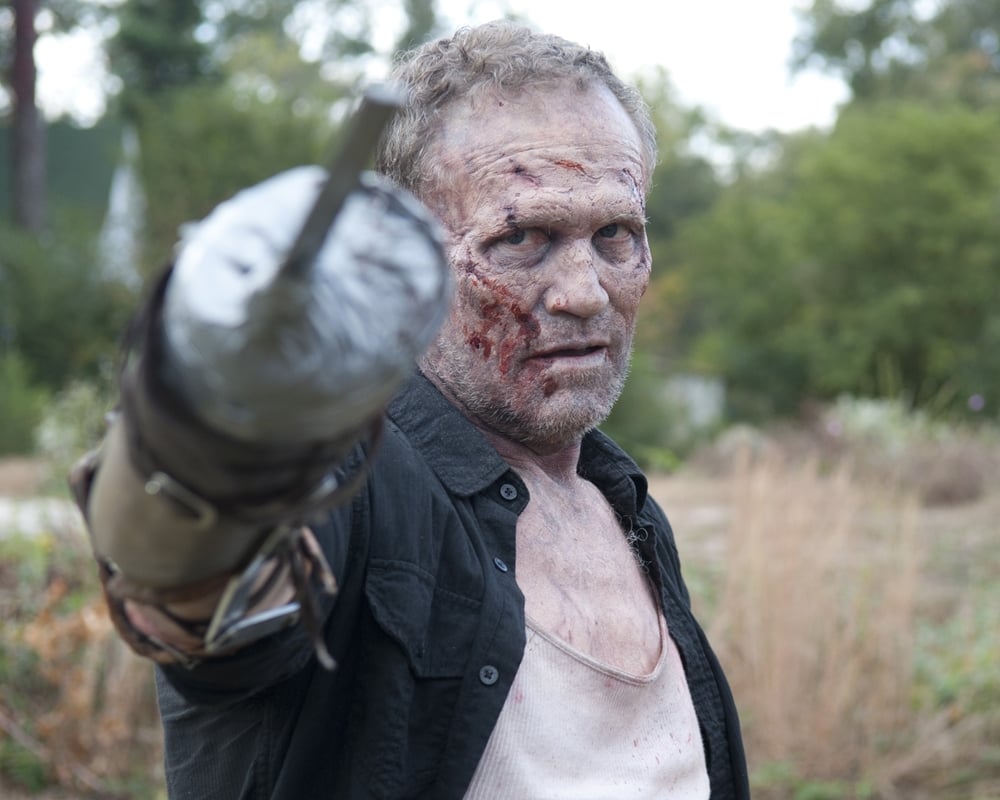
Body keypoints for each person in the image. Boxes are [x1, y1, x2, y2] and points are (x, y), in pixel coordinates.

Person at [72, 20, 749, 800]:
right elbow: (199, 592)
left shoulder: (624, 504)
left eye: (615, 234)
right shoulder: (350, 481)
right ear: (401, 254)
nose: (584, 292)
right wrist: (216, 405)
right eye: (522, 237)